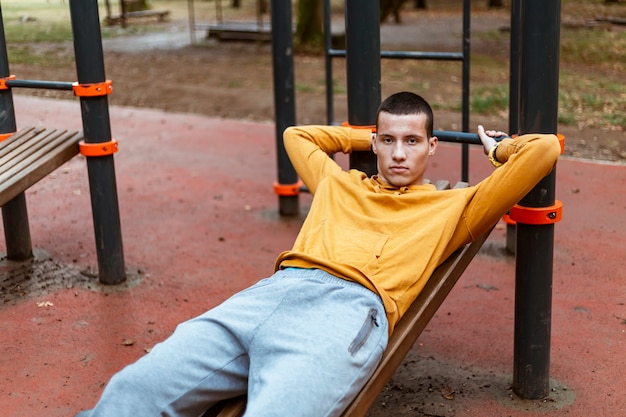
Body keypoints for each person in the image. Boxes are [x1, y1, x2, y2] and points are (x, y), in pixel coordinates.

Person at [76, 92, 561, 417]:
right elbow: (298, 136)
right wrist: (362, 138)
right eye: (387, 140)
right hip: (271, 295)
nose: (397, 153)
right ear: (374, 142)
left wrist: (500, 152)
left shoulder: (457, 206)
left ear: (432, 148)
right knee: (131, 391)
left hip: (347, 312)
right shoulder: (338, 183)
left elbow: (543, 151)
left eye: (412, 142)